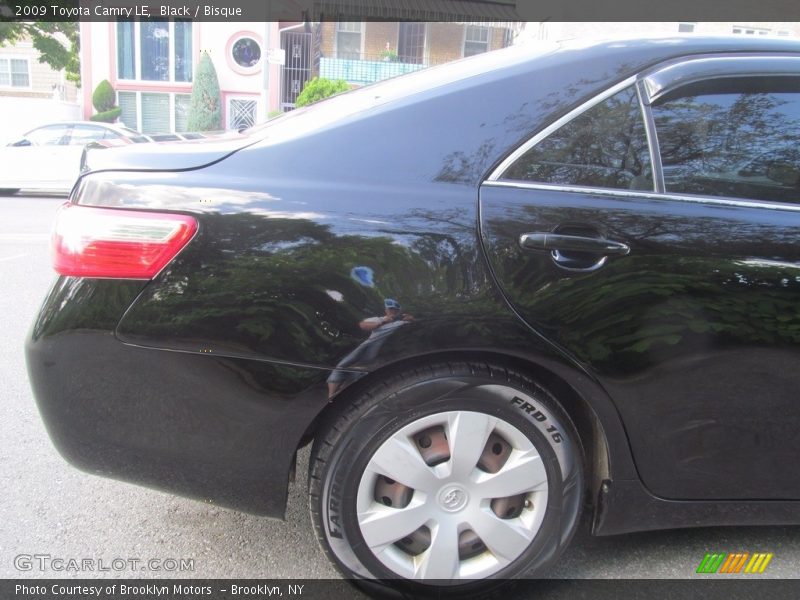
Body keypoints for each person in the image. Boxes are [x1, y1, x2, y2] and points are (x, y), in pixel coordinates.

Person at [326, 298, 414, 398]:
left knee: (364, 371)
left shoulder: (402, 322)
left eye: (395, 310)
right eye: (390, 309)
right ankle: (331, 396)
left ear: (398, 311)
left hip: (383, 351)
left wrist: (410, 319)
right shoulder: (379, 319)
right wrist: (383, 321)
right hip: (369, 346)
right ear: (386, 310)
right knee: (342, 366)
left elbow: (414, 327)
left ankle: (344, 389)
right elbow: (363, 325)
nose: (392, 311)